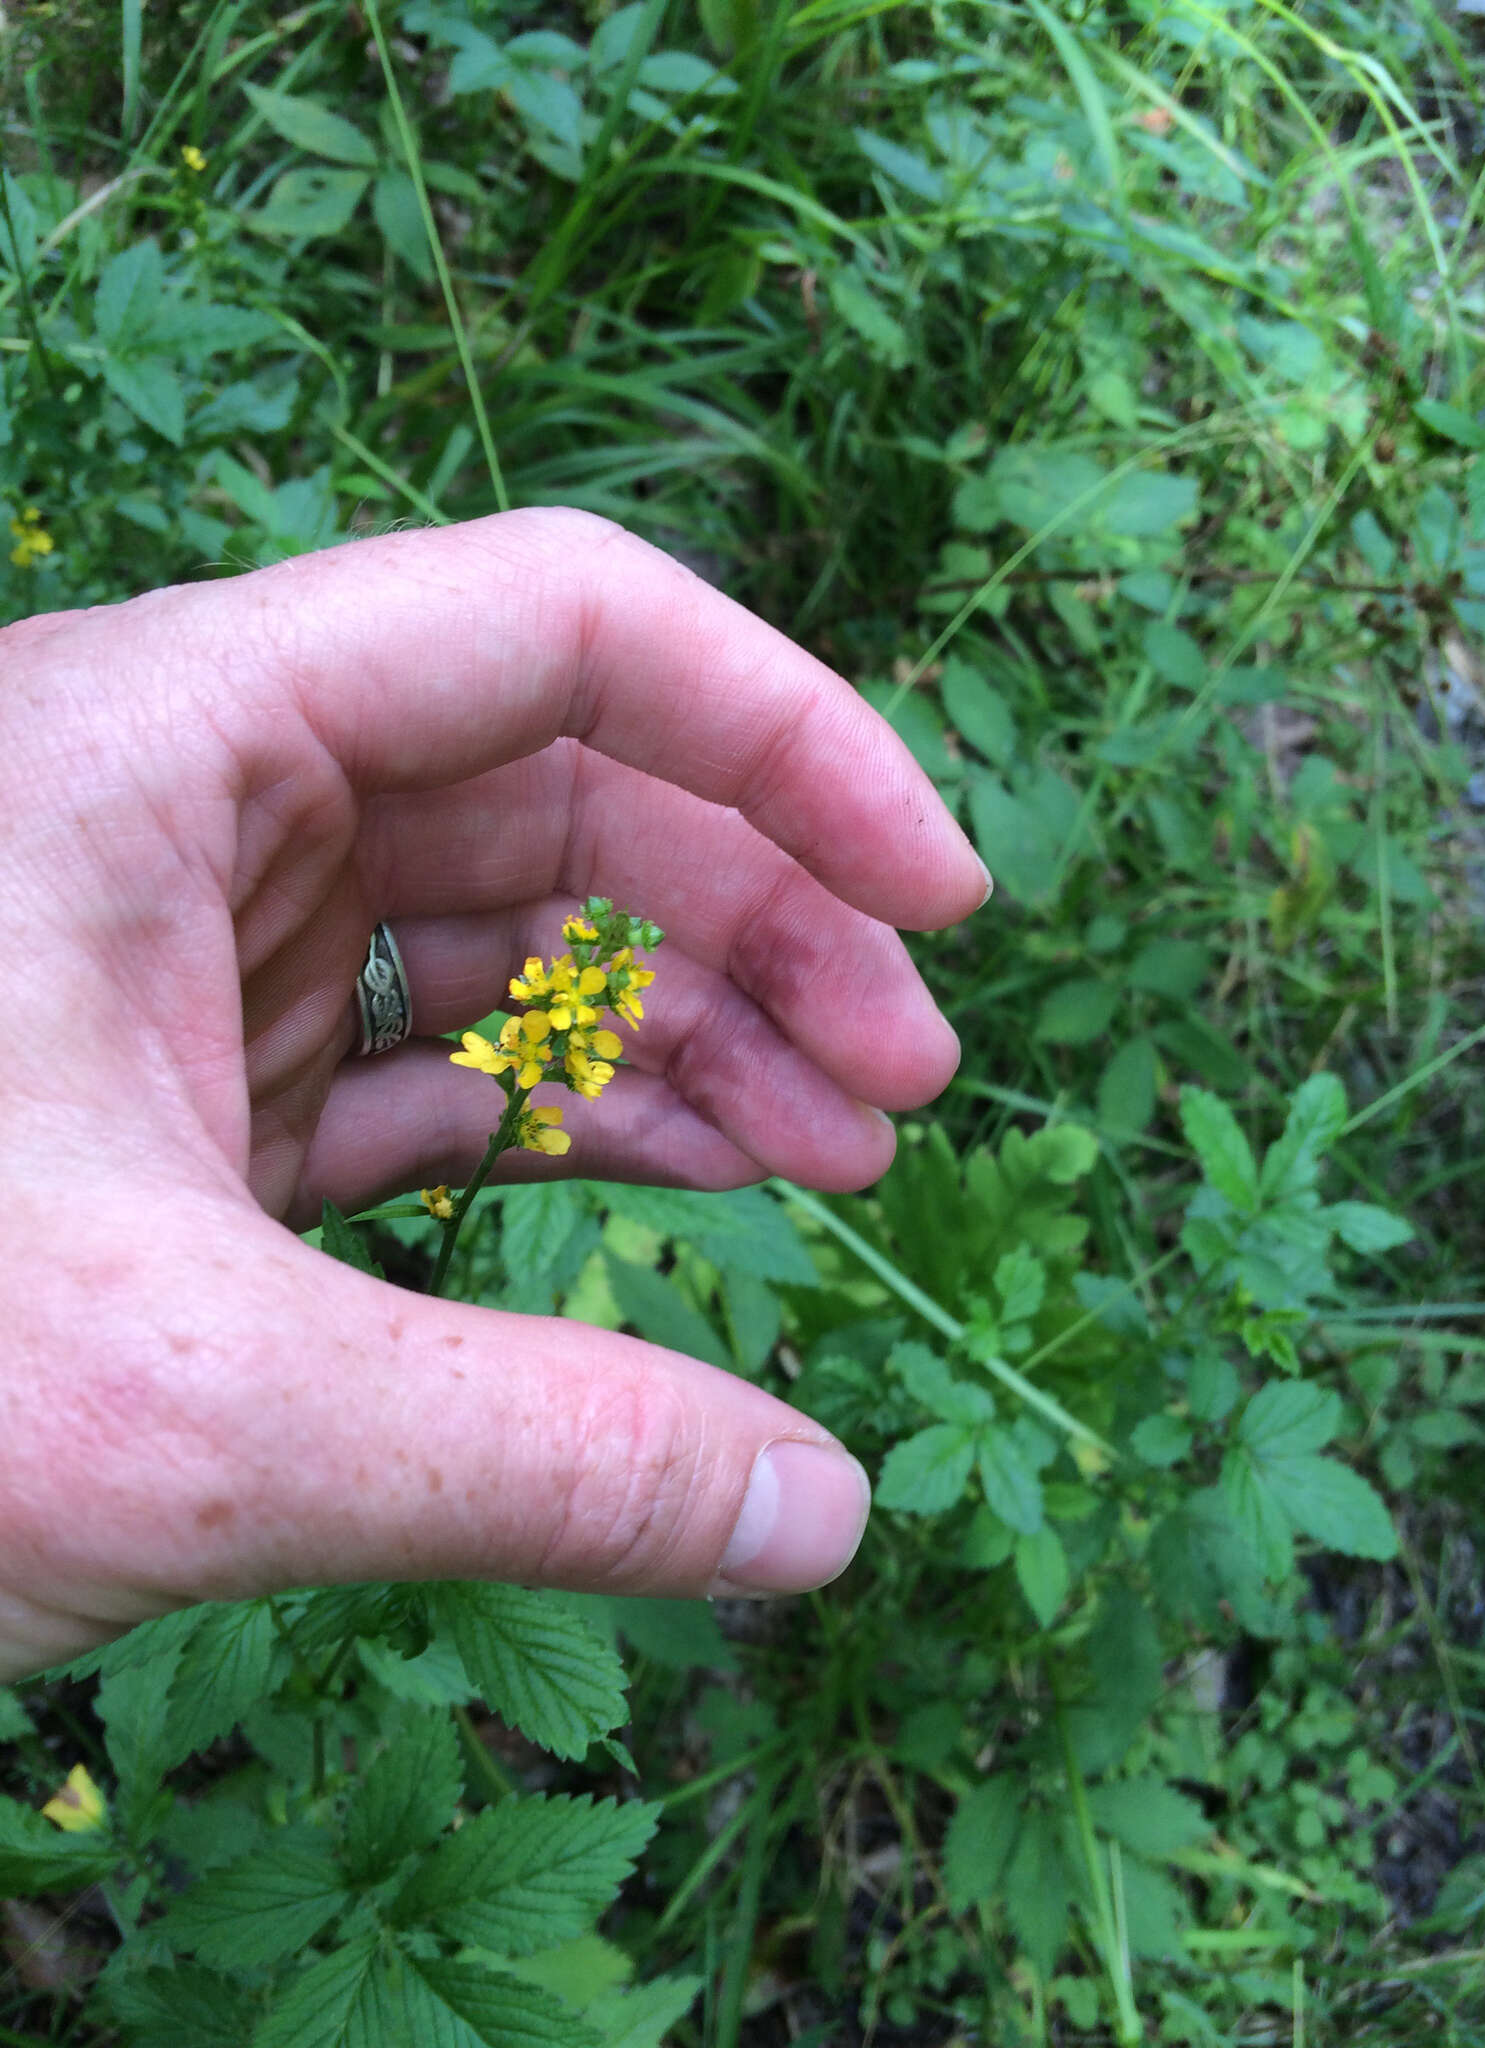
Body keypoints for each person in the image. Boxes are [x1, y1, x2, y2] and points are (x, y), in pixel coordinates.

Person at [0, 510, 989, 1683]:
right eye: (560, 1006)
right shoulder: (524, 1042)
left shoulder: (552, 1044)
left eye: (570, 1005)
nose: (566, 1004)